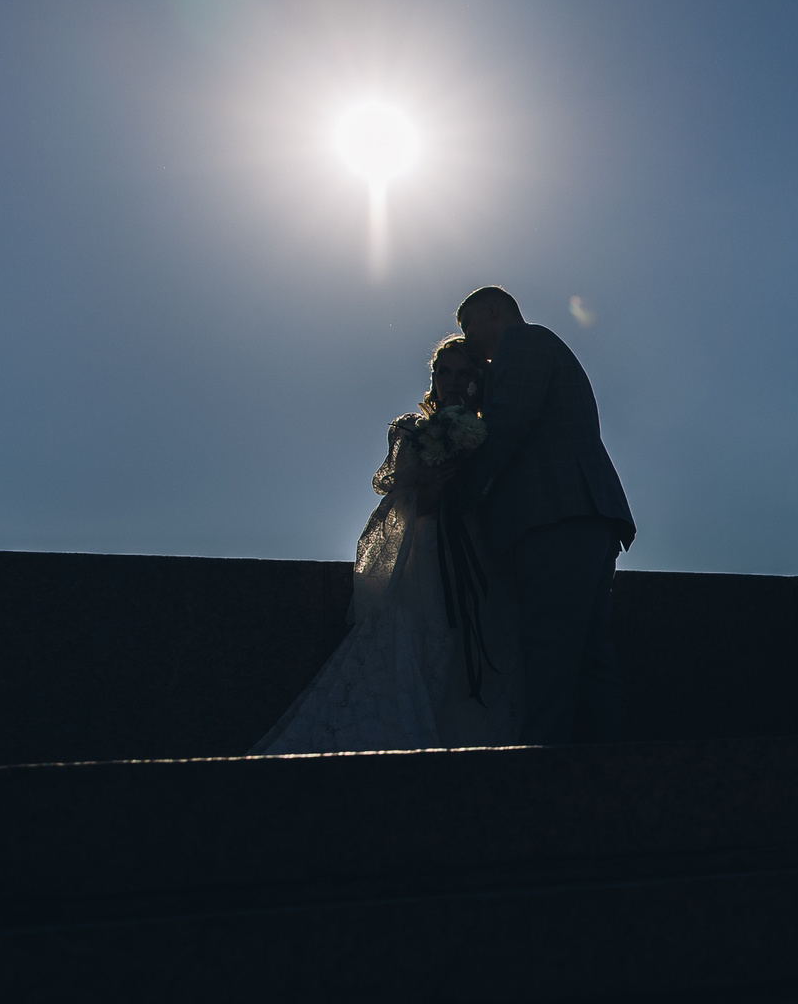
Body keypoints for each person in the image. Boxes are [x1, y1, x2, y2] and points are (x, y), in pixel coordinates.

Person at [251, 335, 518, 753]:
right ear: (433, 377)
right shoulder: (412, 430)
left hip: (475, 552)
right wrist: (434, 481)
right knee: (419, 640)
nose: (451, 382)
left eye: (463, 373)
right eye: (444, 372)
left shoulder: (491, 432)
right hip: (428, 554)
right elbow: (413, 505)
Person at [452, 284, 635, 743]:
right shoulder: (538, 348)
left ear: (492, 311)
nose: (467, 336)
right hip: (583, 513)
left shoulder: (523, 341)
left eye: (468, 325)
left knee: (550, 651)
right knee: (589, 654)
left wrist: (471, 492)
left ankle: (540, 765)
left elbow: (511, 420)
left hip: (553, 512)